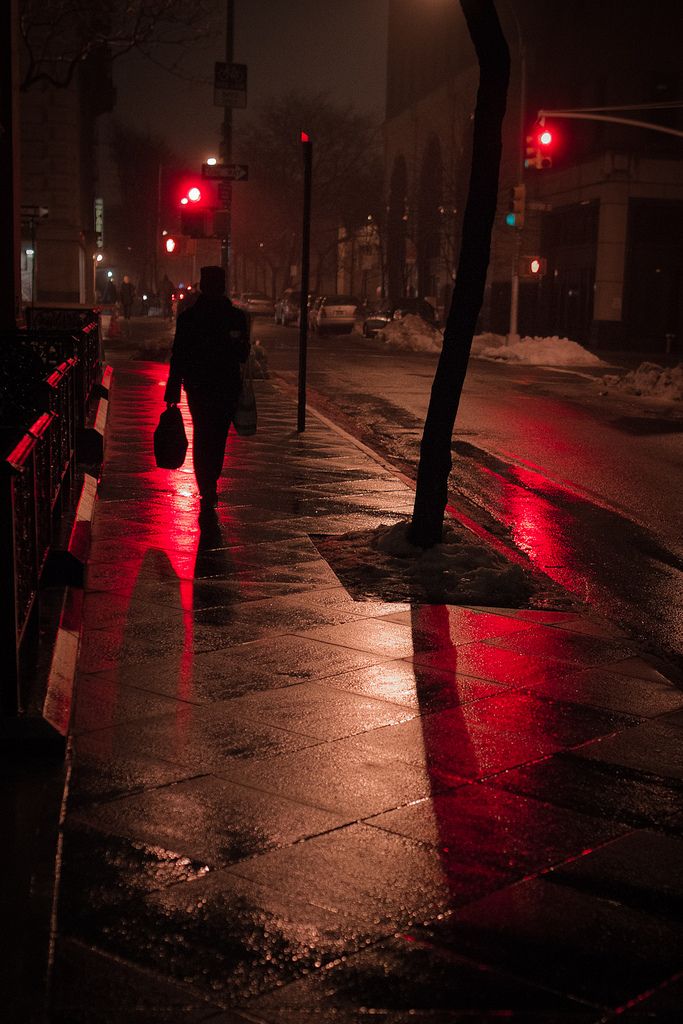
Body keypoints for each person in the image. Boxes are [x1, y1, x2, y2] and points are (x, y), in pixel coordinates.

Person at [164, 265, 250, 512]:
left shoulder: (189, 318)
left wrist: (173, 386)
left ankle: (207, 484)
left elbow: (178, 355)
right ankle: (210, 480)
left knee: (203, 434)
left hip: (199, 386)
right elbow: (243, 355)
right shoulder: (235, 317)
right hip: (224, 386)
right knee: (218, 436)